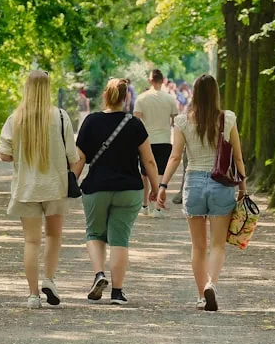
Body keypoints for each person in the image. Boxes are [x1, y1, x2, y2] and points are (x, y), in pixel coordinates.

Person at [157, 73, 247, 311]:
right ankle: (212, 284)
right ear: (216, 93)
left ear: (194, 94)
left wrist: (163, 185)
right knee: (217, 245)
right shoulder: (227, 119)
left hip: (194, 184)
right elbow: (237, 156)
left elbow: (175, 156)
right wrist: (243, 187)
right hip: (221, 185)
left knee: (198, 246)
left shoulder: (183, 121)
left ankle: (200, 296)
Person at [72, 78, 160, 305]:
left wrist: (71, 182)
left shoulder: (91, 122)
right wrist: (156, 188)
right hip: (128, 190)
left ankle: (99, 274)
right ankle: (117, 293)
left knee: (94, 234)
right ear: (126, 97)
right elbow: (148, 160)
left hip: (96, 188)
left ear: (105, 96)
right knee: (120, 239)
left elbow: (80, 158)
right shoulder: (134, 124)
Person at [0, 71, 79, 309]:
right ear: (48, 88)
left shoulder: (16, 118)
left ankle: (33, 295)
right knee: (54, 236)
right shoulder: (61, 117)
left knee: (31, 241)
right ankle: (49, 279)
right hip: (55, 186)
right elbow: (73, 156)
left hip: (26, 188)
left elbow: (4, 154)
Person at [134, 69, 180, 216]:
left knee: (145, 174)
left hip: (146, 140)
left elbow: (136, 119)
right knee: (160, 173)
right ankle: (158, 208)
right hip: (164, 140)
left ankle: (144, 205)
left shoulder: (141, 98)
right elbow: (175, 120)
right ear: (163, 80)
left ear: (150, 80)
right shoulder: (170, 99)